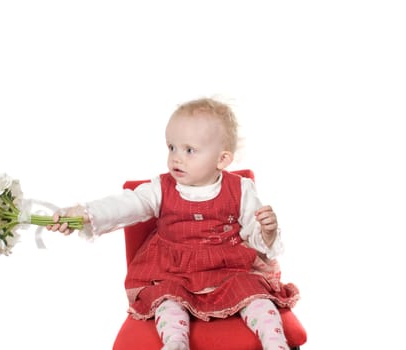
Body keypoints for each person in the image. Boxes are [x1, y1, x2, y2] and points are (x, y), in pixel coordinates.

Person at [47, 97, 300, 350]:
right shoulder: (160, 188)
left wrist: (267, 231)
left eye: (189, 150)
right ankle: (176, 344)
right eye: (171, 148)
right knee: (168, 302)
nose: (176, 158)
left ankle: (275, 344)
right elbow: (125, 206)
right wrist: (84, 214)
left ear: (222, 159)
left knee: (256, 297)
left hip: (229, 270)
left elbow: (255, 233)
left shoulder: (241, 189)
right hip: (175, 273)